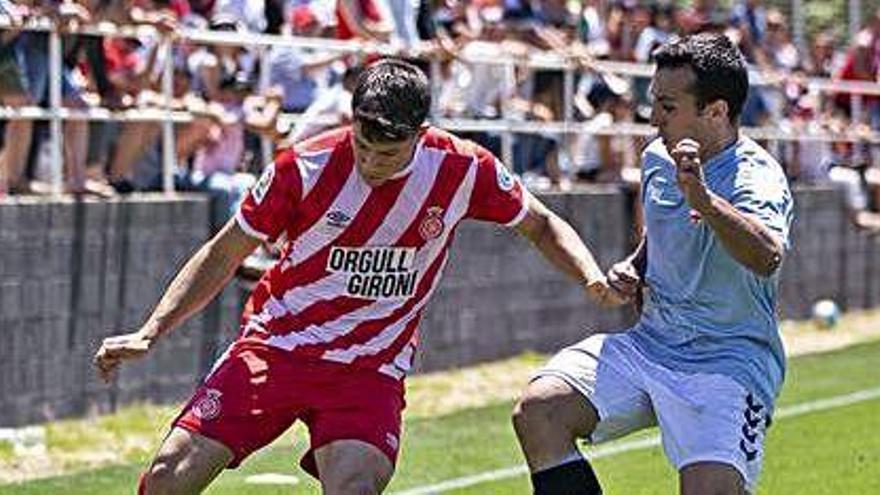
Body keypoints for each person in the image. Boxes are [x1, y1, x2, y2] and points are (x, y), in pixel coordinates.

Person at [93, 58, 623, 495]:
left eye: (387, 153)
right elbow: (225, 250)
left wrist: (591, 278)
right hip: (275, 347)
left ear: (421, 134)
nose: (370, 162)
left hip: (369, 368)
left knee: (355, 488)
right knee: (167, 477)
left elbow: (541, 224)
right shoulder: (301, 167)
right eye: (362, 146)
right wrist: (151, 330)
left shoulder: (465, 169)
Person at [513, 33, 794, 495]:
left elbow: (767, 257)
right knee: (540, 410)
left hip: (728, 362)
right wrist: (635, 266)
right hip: (651, 345)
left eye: (667, 107)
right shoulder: (658, 158)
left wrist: (703, 197)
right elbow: (659, 235)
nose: (653, 119)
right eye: (653, 104)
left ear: (716, 111)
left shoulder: (756, 176)